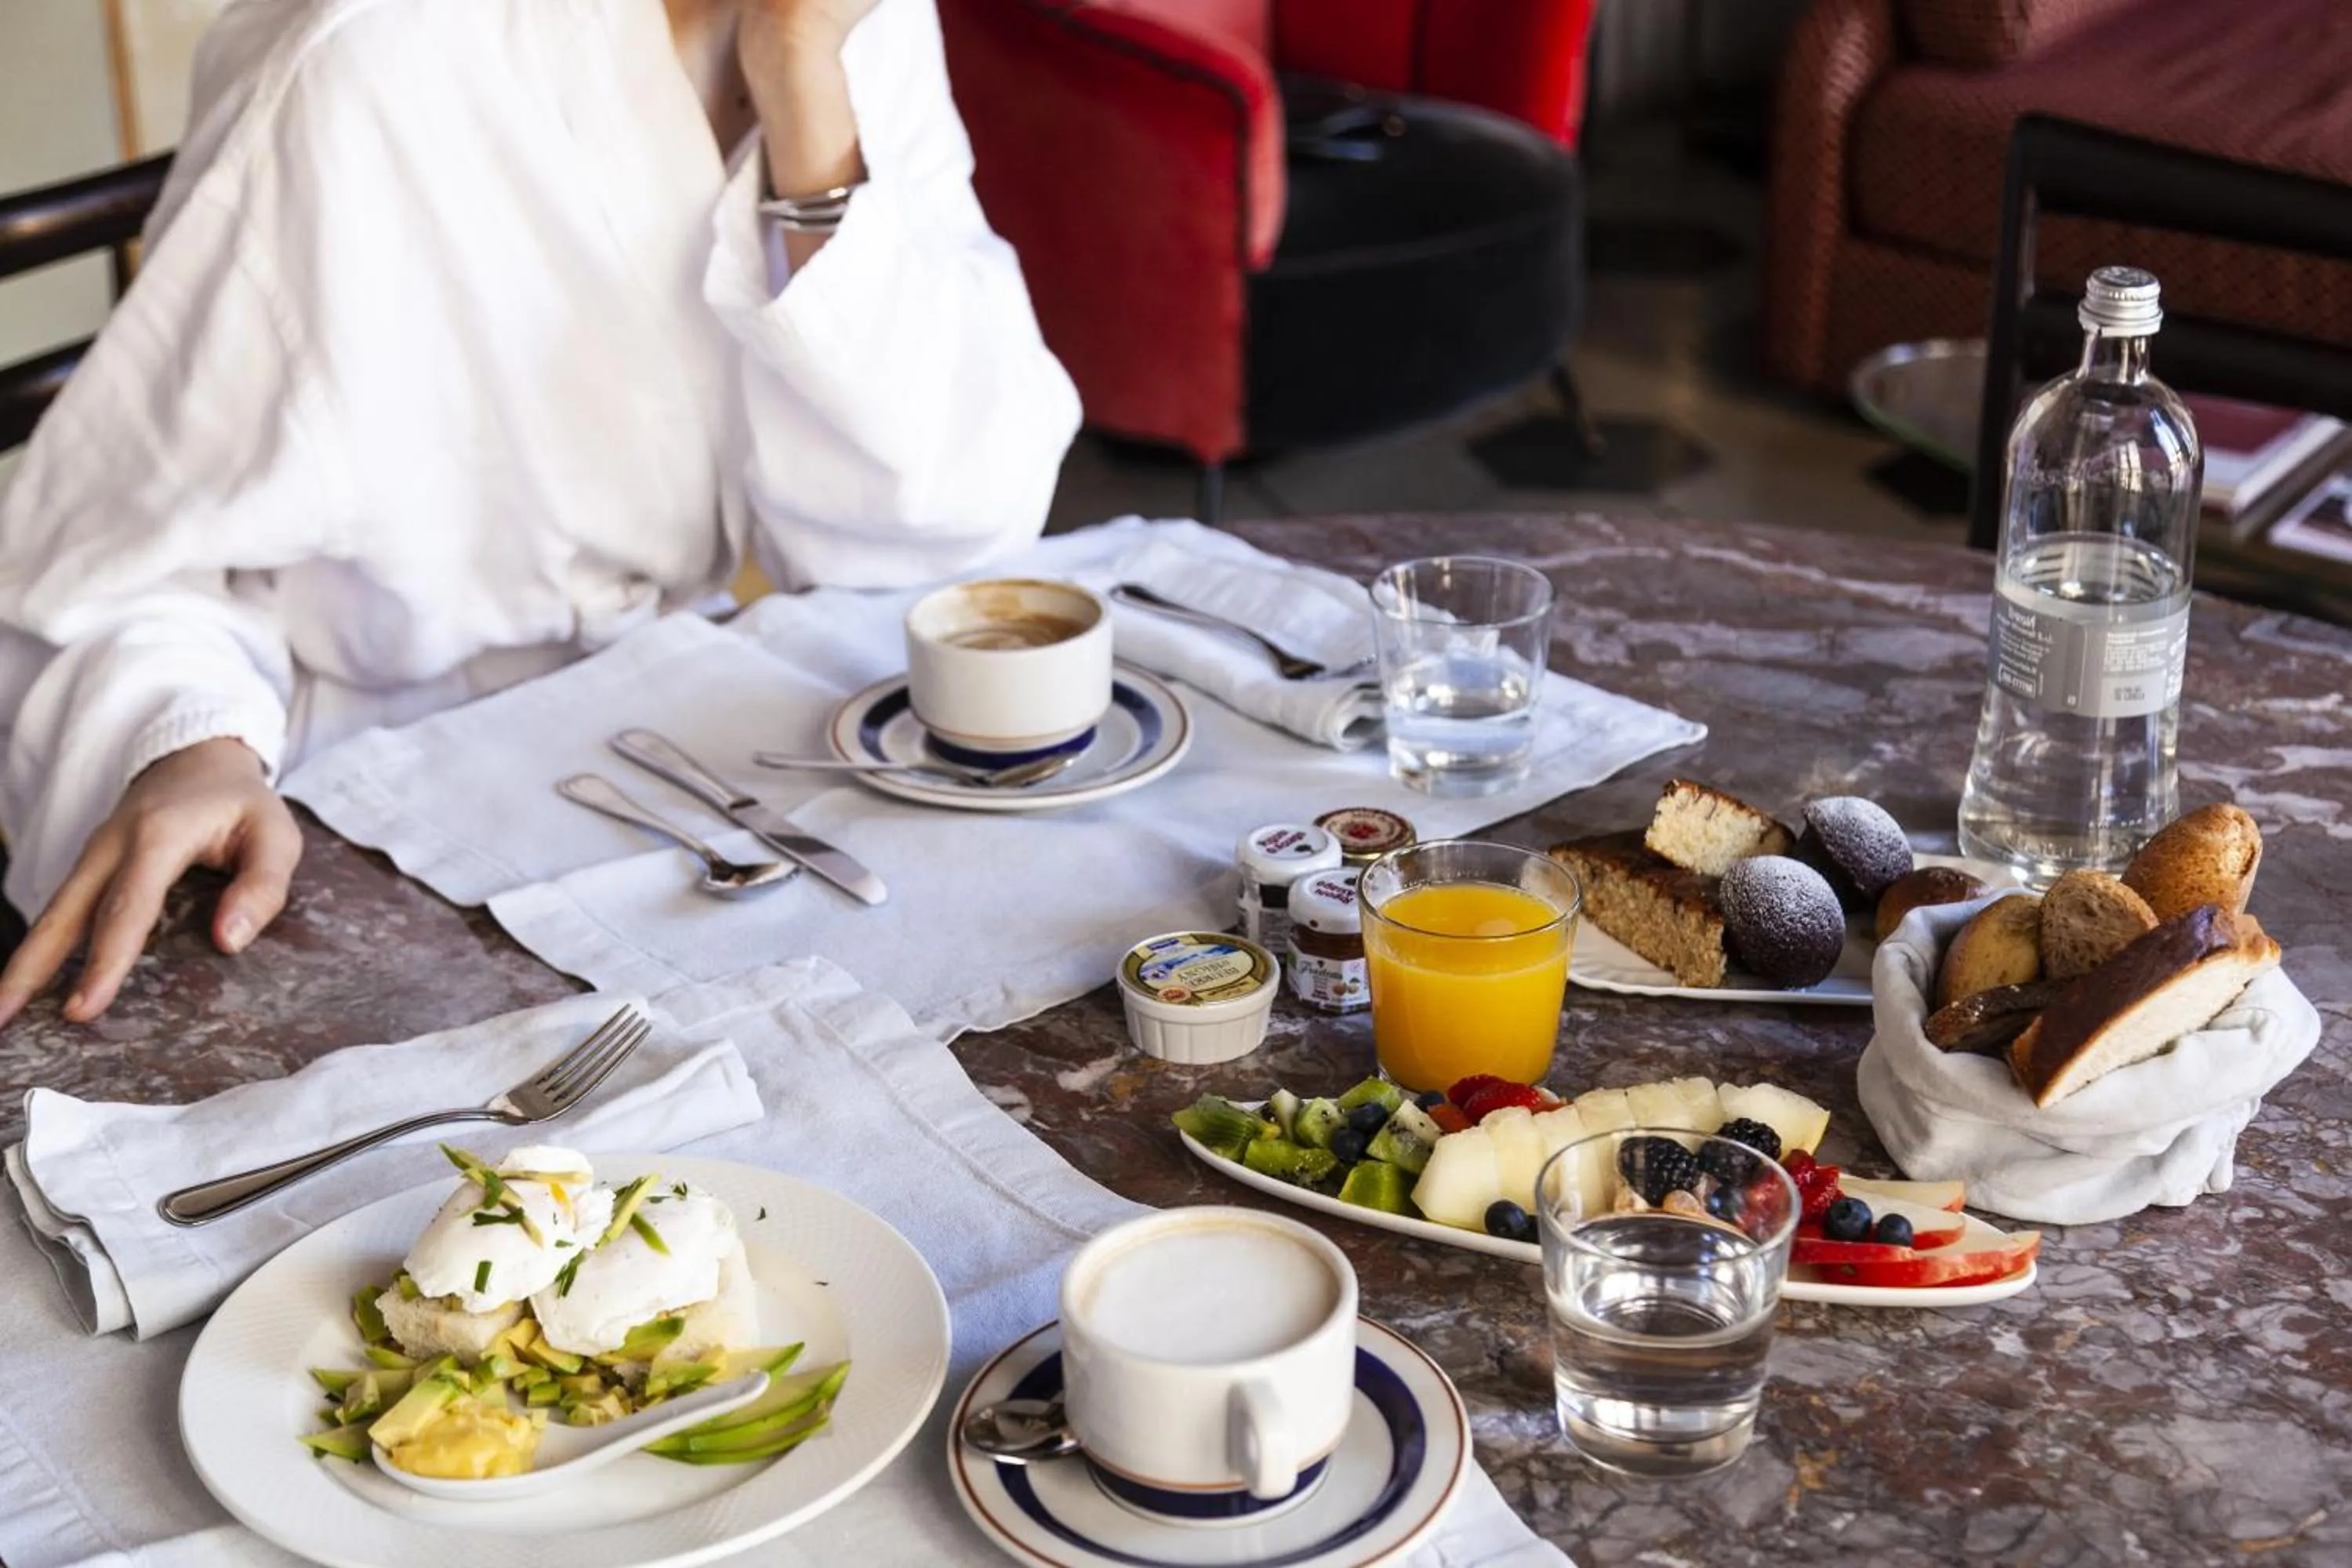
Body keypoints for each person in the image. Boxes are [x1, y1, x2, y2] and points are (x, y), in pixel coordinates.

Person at [0, 0, 1080, 1027]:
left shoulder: (850, 24)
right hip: (361, 805)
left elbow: (945, 530)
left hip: (658, 767)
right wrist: (193, 741)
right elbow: (109, 569)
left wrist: (803, 83)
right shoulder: (365, 60)